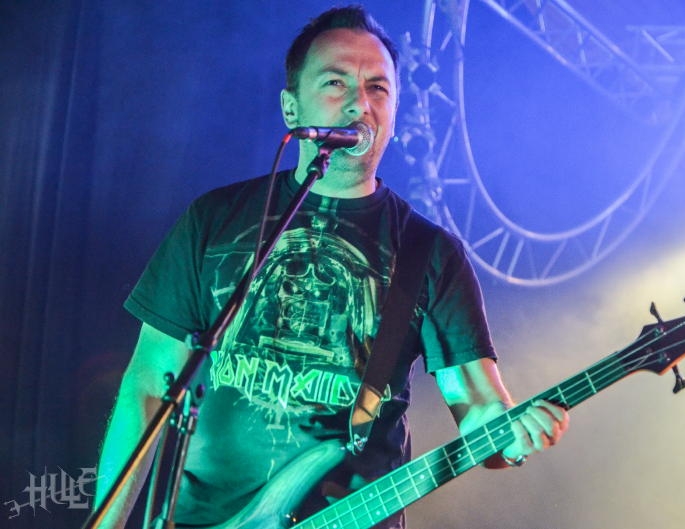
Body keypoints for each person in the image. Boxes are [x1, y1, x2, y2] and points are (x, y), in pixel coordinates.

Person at [94, 6, 569, 529]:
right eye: (335, 82)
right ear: (291, 108)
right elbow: (149, 385)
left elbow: (480, 408)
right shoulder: (216, 219)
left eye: (377, 88)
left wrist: (511, 437)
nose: (359, 103)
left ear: (394, 111)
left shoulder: (429, 252)